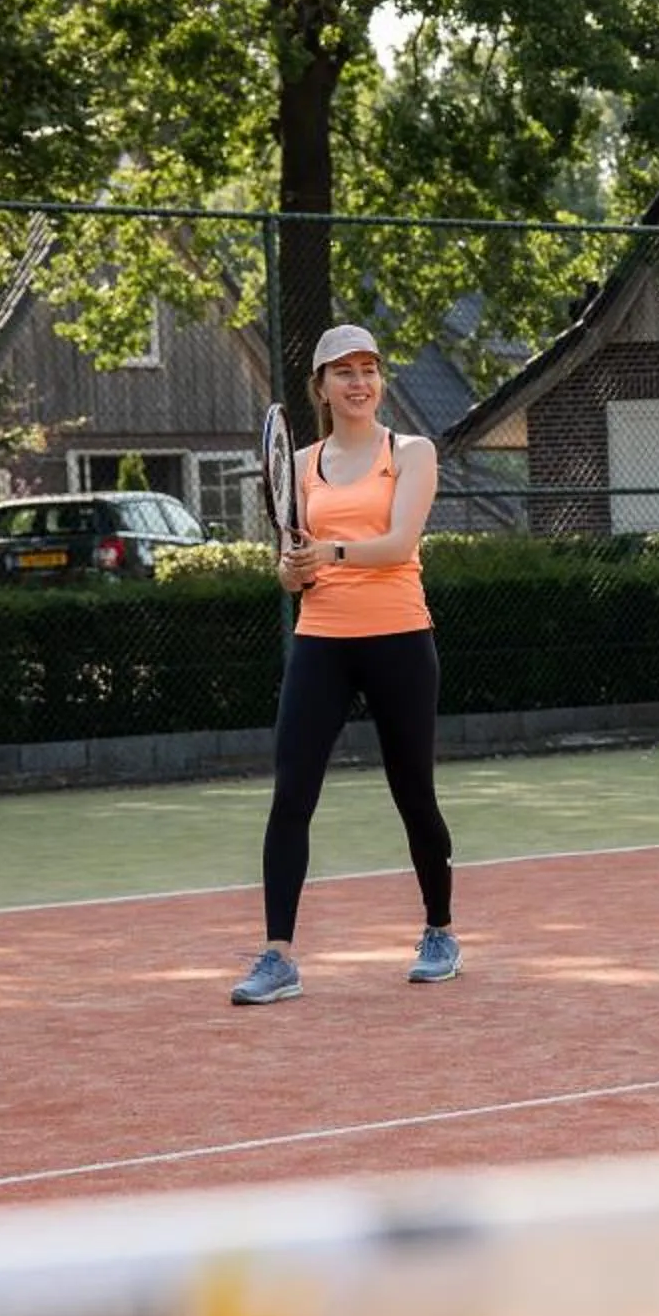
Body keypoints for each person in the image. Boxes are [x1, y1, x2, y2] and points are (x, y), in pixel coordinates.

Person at [230, 324, 456, 1005]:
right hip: (322, 641)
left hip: (400, 638)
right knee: (291, 793)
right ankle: (278, 956)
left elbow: (397, 544)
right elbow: (290, 571)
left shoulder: (412, 452)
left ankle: (439, 930)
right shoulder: (298, 464)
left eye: (369, 370)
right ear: (321, 388)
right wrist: (294, 570)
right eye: (343, 372)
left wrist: (325, 555)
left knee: (413, 791)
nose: (359, 383)